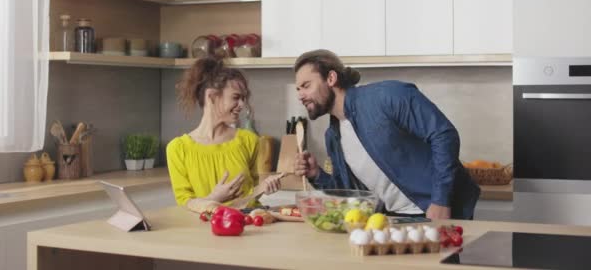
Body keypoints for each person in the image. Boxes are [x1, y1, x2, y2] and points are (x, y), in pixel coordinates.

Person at [293, 50, 479, 220]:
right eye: (298, 89)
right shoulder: (333, 137)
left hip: (436, 212)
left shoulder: (388, 96)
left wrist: (441, 201)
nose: (300, 95)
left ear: (331, 78)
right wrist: (316, 175)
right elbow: (349, 195)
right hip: (391, 220)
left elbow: (444, 135)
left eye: (306, 85)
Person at [167, 57, 281, 212]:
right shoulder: (178, 148)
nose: (242, 105)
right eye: (236, 97)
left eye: (243, 98)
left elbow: (251, 195)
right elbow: (184, 203)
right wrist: (214, 198)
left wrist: (263, 188)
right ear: (211, 97)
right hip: (205, 230)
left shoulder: (248, 140)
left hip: (249, 225)